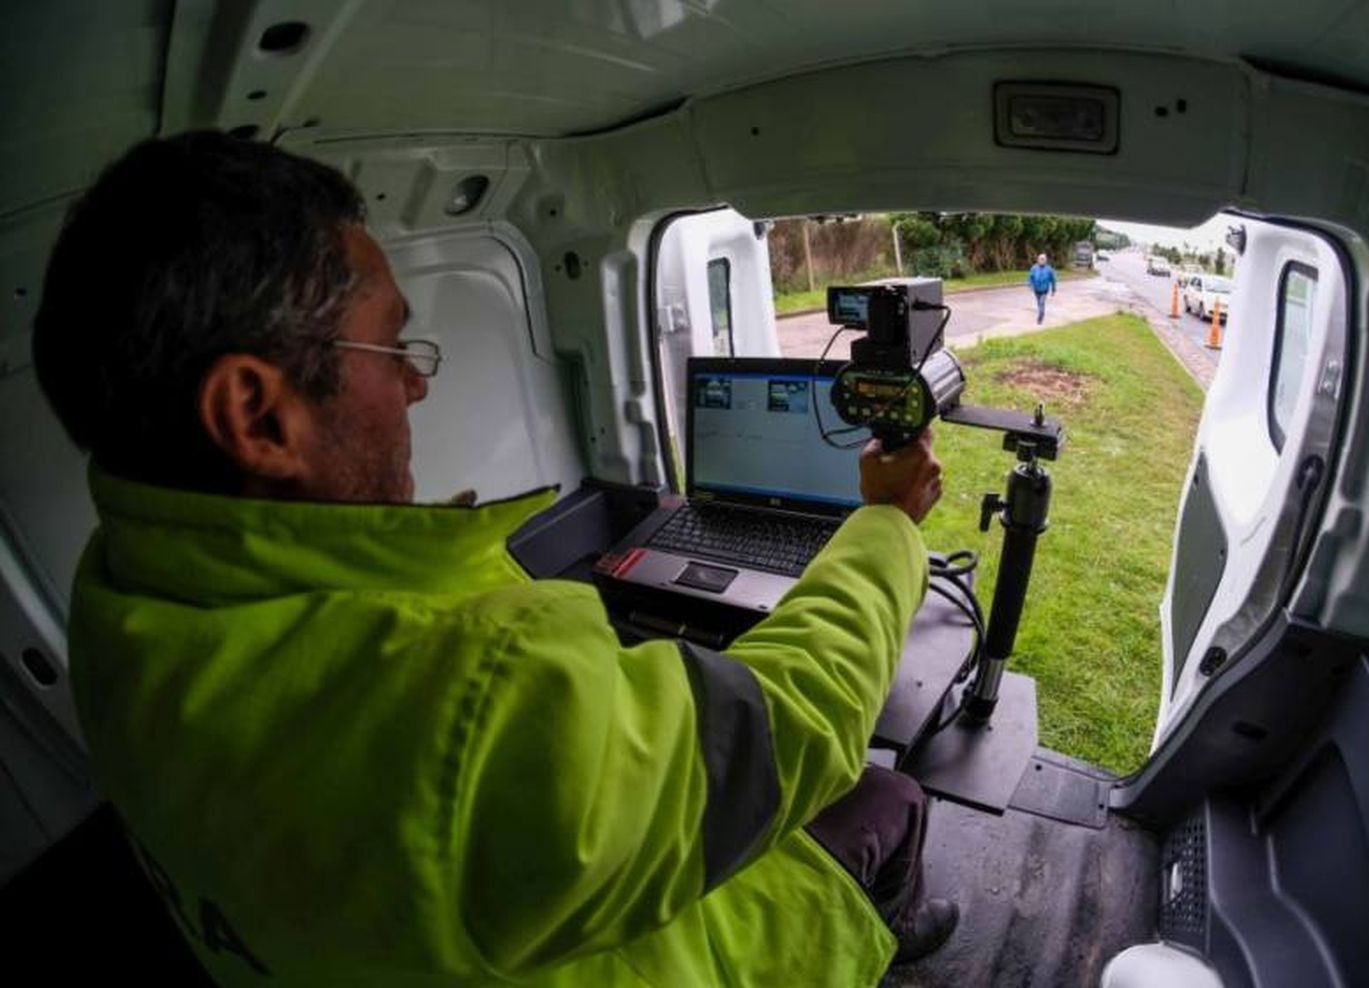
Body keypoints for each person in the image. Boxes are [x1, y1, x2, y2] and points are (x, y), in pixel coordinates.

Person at [31, 131, 958, 985]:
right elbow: (789, 726)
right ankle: (889, 928)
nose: (416, 380)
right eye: (390, 344)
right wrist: (883, 523)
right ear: (257, 416)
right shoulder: (472, 701)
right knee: (885, 793)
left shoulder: (120, 607)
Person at [1029, 251, 1058, 324]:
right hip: (1036, 289)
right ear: (1038, 260)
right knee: (1039, 303)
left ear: (1046, 260)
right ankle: (1041, 312)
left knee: (1041, 302)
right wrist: (1031, 286)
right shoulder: (1034, 268)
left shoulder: (1049, 269)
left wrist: (1053, 290)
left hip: (1044, 290)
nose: (1041, 261)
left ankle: (1040, 317)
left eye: (1043, 259)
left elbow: (1053, 280)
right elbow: (1031, 278)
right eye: (1040, 259)